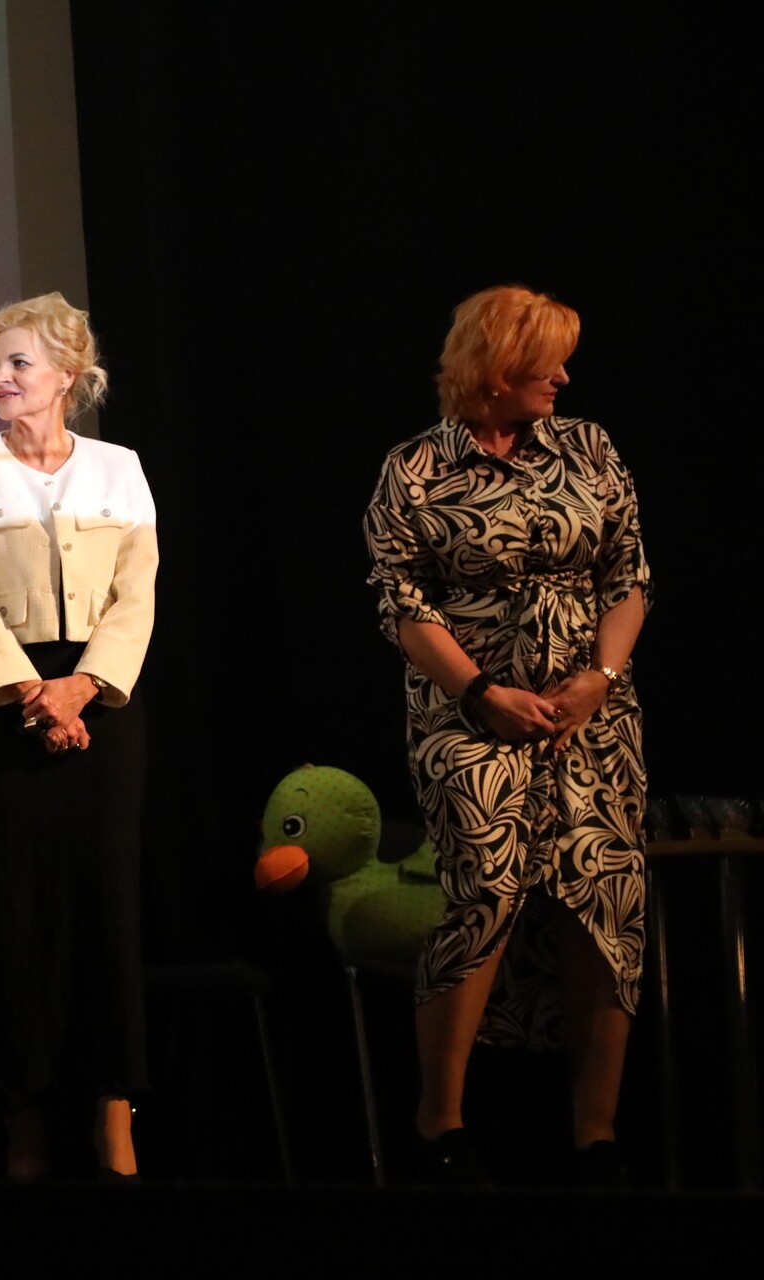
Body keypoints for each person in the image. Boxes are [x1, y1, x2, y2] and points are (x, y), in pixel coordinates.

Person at [363, 285, 650, 1187]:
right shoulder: (415, 468)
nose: (563, 378)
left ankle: (596, 1139)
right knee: (485, 889)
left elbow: (629, 576)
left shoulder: (589, 447)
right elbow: (402, 604)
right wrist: (485, 694)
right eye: (547, 362)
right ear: (496, 366)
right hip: (469, 718)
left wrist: (598, 680)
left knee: (604, 899)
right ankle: (439, 1126)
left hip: (590, 717)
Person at [0, 292, 157, 1180]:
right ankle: (22, 1114)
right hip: (7, 706)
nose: (1, 378)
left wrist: (83, 688)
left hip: (103, 703)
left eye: (19, 362)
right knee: (14, 910)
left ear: (68, 373)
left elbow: (137, 591)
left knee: (108, 903)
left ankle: (113, 1113)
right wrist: (32, 692)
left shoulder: (119, 467)